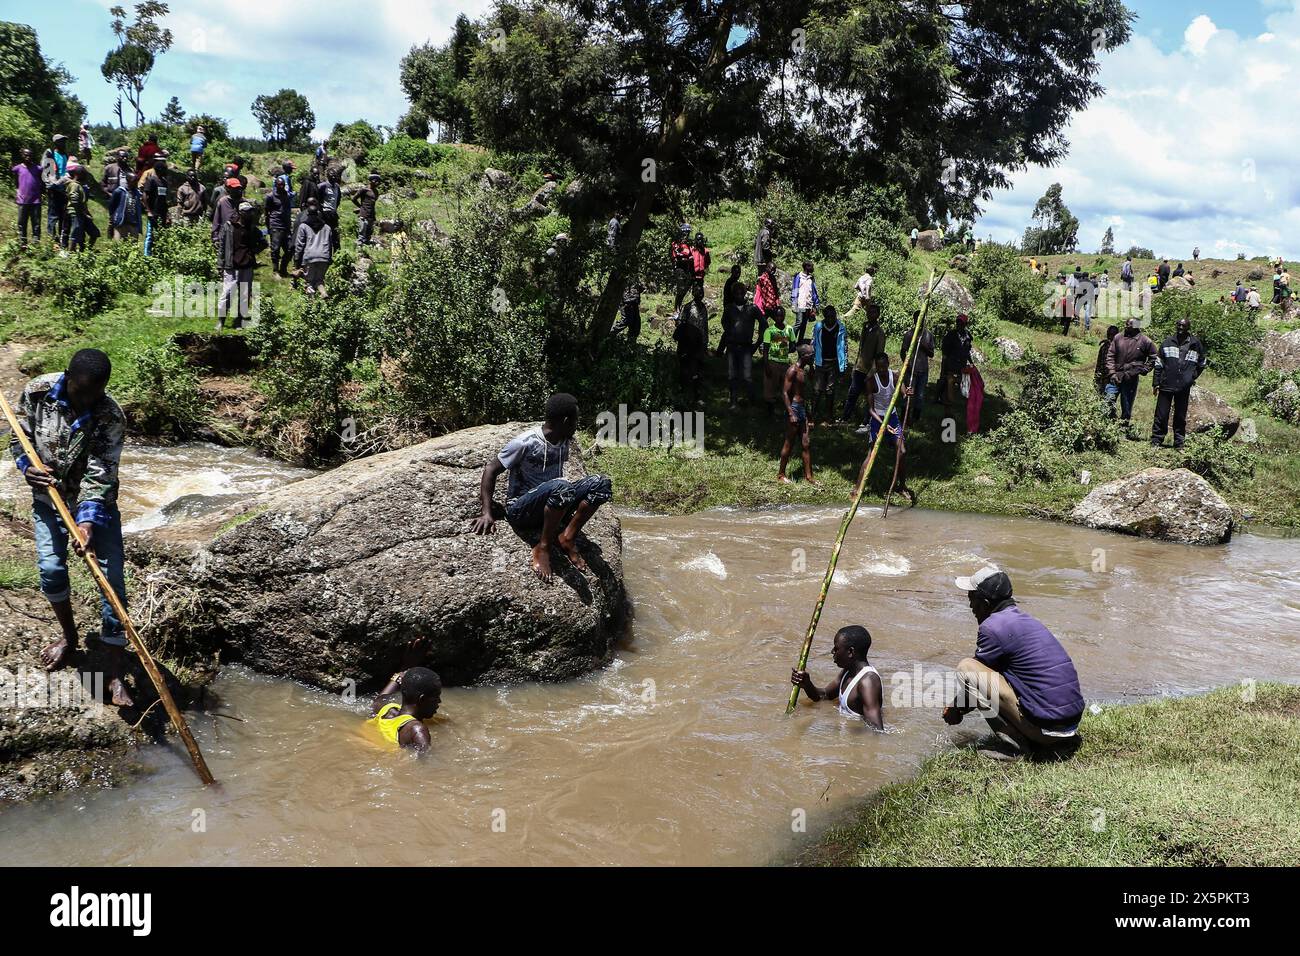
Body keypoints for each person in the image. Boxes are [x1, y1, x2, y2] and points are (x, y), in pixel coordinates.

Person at [11, 350, 134, 707]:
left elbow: (102, 471)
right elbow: (20, 436)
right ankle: (70, 637)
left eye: (94, 394)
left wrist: (86, 520)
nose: (85, 401)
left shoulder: (109, 415)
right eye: (80, 392)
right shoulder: (37, 393)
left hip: (97, 509)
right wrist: (25, 465)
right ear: (67, 377)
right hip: (49, 500)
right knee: (51, 570)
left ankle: (114, 672)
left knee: (111, 583)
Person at [470, 393, 613, 583]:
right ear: (564, 420)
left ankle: (567, 537)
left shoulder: (564, 440)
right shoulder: (525, 442)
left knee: (601, 484)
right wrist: (486, 512)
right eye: (575, 421)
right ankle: (543, 547)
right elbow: (491, 469)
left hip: (553, 501)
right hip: (522, 510)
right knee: (561, 487)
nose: (576, 426)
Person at [943, 567, 1084, 758]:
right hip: (1070, 725)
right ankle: (1048, 739)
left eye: (972, 600)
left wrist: (955, 709)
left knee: (966, 667)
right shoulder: (1028, 620)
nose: (970, 607)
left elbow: (976, 683)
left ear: (984, 604)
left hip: (1046, 731)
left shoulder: (991, 628)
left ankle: (1015, 748)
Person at [790, 625, 884, 729]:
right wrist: (807, 684)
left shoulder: (868, 682)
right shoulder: (847, 672)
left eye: (836, 648)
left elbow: (876, 729)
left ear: (850, 652)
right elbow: (824, 696)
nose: (832, 652)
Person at [858, 353, 915, 504]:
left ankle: (901, 487)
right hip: (878, 419)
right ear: (876, 366)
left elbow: (903, 394)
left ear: (888, 364)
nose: (882, 370)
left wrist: (908, 393)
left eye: (884, 366)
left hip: (893, 418)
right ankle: (858, 488)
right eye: (879, 367)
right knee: (871, 455)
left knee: (902, 451)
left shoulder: (896, 376)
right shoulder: (871, 381)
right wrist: (883, 425)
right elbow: (870, 410)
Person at [367, 639, 441, 752]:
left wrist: (406, 667)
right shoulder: (416, 729)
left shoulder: (383, 708)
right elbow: (426, 762)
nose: (439, 702)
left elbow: (383, 695)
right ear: (422, 699)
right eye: (436, 697)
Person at [1151, 318, 1207, 450]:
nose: (1180, 328)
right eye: (1179, 325)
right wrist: (1156, 383)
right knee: (1161, 414)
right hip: (1166, 384)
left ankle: (1179, 443)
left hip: (1184, 387)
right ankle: (1156, 441)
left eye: (1183, 326)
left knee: (1180, 416)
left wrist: (1191, 377)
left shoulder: (1195, 344)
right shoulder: (1167, 342)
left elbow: (1202, 363)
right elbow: (1159, 363)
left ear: (1188, 328)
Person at [1105, 317, 1155, 431]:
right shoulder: (1118, 337)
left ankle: (1123, 429)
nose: (1126, 326)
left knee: (1126, 405)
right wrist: (1112, 373)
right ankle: (1107, 425)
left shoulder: (1145, 341)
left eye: (1129, 324)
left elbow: (1153, 357)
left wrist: (1144, 369)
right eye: (1126, 324)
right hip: (1115, 375)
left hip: (1131, 378)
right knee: (1108, 400)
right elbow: (1110, 355)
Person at [217, 201, 262, 330]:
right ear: (241, 213)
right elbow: (222, 247)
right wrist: (220, 264)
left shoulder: (252, 228)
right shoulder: (229, 226)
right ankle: (221, 320)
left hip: (246, 265)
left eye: (251, 212)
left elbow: (263, 242)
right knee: (227, 293)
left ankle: (239, 320)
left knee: (244, 295)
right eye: (247, 212)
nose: (250, 214)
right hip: (231, 266)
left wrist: (254, 251)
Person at [840, 300, 885, 423]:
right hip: (859, 368)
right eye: (869, 312)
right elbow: (861, 349)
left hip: (870, 370)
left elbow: (879, 355)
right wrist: (855, 366)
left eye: (874, 313)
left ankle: (866, 422)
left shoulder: (879, 333)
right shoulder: (865, 327)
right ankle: (845, 418)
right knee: (852, 393)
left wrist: (872, 371)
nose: (871, 315)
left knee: (869, 397)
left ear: (878, 315)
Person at [777, 345, 817, 485]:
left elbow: (808, 390)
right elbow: (784, 393)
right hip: (794, 408)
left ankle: (809, 476)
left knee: (806, 443)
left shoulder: (804, 371)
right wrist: (790, 413)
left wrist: (809, 415)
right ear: (804, 356)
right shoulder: (792, 370)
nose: (813, 356)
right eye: (811, 355)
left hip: (802, 409)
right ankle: (781, 474)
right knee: (789, 442)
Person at [720, 281, 762, 407]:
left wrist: (757, 343)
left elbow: (764, 324)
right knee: (732, 375)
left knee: (747, 376)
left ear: (744, 293)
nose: (739, 295)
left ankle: (752, 402)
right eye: (736, 293)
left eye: (741, 293)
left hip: (747, 347)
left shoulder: (752, 309)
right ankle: (733, 402)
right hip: (732, 347)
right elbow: (725, 325)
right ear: (733, 294)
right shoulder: (729, 309)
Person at [810, 306, 847, 425]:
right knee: (817, 390)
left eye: (833, 316)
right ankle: (812, 416)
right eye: (829, 317)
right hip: (821, 363)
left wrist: (843, 367)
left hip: (833, 364)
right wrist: (811, 364)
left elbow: (844, 348)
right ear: (825, 317)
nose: (831, 319)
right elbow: (814, 344)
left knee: (830, 391)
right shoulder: (818, 327)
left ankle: (829, 417)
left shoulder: (840, 328)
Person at [675, 282, 710, 406]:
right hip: (687, 344)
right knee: (685, 370)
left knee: (698, 371)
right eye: (696, 291)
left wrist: (705, 343)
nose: (699, 294)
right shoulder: (688, 307)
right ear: (693, 293)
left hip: (699, 344)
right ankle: (682, 394)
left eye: (701, 292)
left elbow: (705, 327)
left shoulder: (704, 308)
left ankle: (697, 396)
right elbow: (680, 324)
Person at [293, 198, 337, 297]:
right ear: (318, 213)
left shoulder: (303, 226)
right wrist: (329, 258)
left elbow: (299, 246)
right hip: (324, 257)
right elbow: (330, 245)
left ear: (308, 214)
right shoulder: (327, 227)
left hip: (310, 257)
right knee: (319, 280)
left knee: (309, 282)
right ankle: (323, 293)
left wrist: (297, 262)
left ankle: (311, 305)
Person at [898, 312, 935, 422]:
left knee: (920, 396)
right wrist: (907, 365)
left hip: (923, 370)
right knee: (908, 394)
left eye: (922, 319)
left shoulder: (928, 335)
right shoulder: (909, 335)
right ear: (914, 320)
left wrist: (924, 346)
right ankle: (904, 418)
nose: (919, 321)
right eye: (917, 319)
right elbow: (902, 352)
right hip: (911, 370)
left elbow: (931, 354)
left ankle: (915, 419)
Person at [761, 306, 795, 415]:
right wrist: (766, 366)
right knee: (770, 388)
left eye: (781, 315)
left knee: (784, 387)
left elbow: (793, 344)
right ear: (774, 317)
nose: (779, 318)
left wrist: (786, 350)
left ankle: (784, 410)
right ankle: (770, 412)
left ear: (784, 316)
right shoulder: (769, 331)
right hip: (772, 362)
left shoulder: (789, 329)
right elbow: (765, 350)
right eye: (777, 316)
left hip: (784, 363)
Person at [40, 133, 70, 249]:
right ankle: (51, 241)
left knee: (63, 216)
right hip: (55, 191)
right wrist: (54, 186)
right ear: (56, 143)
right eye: (62, 141)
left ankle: (62, 240)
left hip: (64, 190)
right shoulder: (51, 155)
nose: (64, 143)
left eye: (64, 141)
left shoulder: (65, 156)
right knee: (53, 216)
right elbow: (49, 176)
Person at [138, 152, 171, 256]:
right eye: (164, 169)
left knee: (161, 234)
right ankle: (147, 255)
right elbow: (144, 196)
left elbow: (164, 199)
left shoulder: (164, 182)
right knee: (150, 235)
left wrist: (168, 215)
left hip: (162, 213)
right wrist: (148, 211)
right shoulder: (151, 180)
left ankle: (158, 254)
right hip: (153, 212)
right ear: (159, 170)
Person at [940, 313, 973, 410]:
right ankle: (947, 402)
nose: (959, 325)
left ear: (965, 324)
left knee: (962, 383)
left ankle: (958, 404)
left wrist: (971, 362)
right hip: (951, 364)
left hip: (962, 365)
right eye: (958, 322)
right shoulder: (951, 335)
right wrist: (944, 366)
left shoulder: (968, 337)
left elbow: (967, 351)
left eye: (961, 323)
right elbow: (945, 351)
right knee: (949, 381)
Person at [64, 161, 99, 252]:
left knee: (94, 233)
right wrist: (84, 213)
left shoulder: (81, 185)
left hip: (82, 212)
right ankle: (71, 252)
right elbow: (75, 202)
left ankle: (87, 251)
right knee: (76, 233)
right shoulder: (74, 185)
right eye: (84, 174)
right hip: (76, 212)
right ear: (78, 175)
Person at [12, 147, 42, 250]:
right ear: (22, 156)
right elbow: (16, 181)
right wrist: (18, 190)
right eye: (26, 155)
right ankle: (22, 243)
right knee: (21, 222)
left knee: (36, 223)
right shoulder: (17, 168)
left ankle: (36, 244)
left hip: (35, 201)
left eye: (29, 155)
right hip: (22, 201)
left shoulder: (38, 169)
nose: (28, 157)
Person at [264, 175, 294, 276]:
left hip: (286, 226)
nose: (281, 186)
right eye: (279, 185)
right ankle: (275, 271)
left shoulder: (286, 195)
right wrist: (269, 226)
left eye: (283, 185)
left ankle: (283, 268)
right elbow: (266, 212)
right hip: (275, 225)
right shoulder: (270, 196)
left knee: (290, 248)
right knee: (275, 249)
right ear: (276, 185)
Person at [107, 171, 142, 242]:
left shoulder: (137, 193)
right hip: (121, 223)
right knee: (118, 244)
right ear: (128, 181)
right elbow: (112, 206)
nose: (135, 183)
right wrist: (113, 218)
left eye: (136, 181)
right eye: (133, 181)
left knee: (133, 245)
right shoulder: (119, 191)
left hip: (133, 223)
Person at [790, 260, 819, 343]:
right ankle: (791, 341)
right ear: (806, 267)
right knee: (799, 323)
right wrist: (794, 303)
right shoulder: (798, 276)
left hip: (808, 305)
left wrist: (815, 303)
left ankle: (799, 342)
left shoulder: (811, 278)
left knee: (804, 325)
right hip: (800, 304)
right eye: (811, 266)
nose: (813, 268)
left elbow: (813, 291)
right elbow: (795, 289)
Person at [210, 176, 243, 250]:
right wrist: (215, 238)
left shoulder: (244, 203)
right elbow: (216, 221)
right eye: (234, 188)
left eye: (238, 188)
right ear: (228, 189)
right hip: (224, 235)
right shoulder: (222, 202)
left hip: (239, 237)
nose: (237, 190)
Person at [351, 172, 381, 249]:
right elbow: (354, 199)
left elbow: (372, 204)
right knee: (361, 234)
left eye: (378, 181)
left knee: (368, 235)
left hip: (371, 216)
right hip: (363, 215)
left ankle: (366, 252)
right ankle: (359, 251)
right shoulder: (364, 189)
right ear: (371, 181)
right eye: (375, 180)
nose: (377, 182)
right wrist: (361, 207)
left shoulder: (376, 192)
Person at [670, 224, 694, 313]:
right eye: (685, 232)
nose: (687, 235)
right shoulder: (676, 244)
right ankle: (677, 308)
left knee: (686, 287)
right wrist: (686, 258)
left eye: (688, 233)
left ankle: (679, 305)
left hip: (687, 268)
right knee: (680, 289)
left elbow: (691, 255)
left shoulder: (689, 243)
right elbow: (675, 256)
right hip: (679, 268)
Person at [1095, 325, 1119, 398]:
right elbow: (1099, 363)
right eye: (1109, 334)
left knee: (1108, 400)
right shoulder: (1105, 346)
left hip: (1110, 378)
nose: (1110, 337)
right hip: (1103, 377)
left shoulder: (1117, 347)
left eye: (1112, 335)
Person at [317, 166, 342, 231]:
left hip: (333, 212)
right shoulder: (322, 186)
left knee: (334, 230)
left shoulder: (337, 186)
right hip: (325, 212)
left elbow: (338, 199)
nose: (333, 177)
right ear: (328, 176)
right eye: (332, 175)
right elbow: (317, 198)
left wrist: (335, 208)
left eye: (335, 176)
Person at [690, 231, 711, 300]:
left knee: (701, 291)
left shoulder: (705, 251)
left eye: (701, 239)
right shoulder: (692, 250)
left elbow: (708, 262)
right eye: (698, 239)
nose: (700, 241)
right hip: (693, 274)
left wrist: (705, 270)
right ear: (695, 240)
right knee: (695, 291)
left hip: (701, 275)